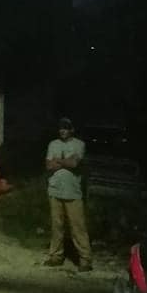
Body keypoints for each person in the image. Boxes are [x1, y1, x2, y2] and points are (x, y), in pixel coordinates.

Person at [44, 116, 91, 271]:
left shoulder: (79, 144)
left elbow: (74, 163)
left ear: (72, 129)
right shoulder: (53, 144)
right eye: (60, 128)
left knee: (78, 227)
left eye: (66, 128)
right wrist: (65, 162)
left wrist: (59, 161)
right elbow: (48, 166)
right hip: (55, 190)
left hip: (73, 193)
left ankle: (85, 259)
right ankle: (55, 256)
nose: (62, 130)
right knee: (57, 226)